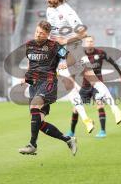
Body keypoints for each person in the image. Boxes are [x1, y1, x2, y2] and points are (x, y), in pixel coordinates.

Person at [46, 0, 121, 129]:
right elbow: (54, 33)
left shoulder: (67, 11)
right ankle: (86, 120)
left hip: (73, 49)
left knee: (92, 79)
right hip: (59, 52)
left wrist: (65, 40)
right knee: (68, 86)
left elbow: (83, 33)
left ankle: (115, 109)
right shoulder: (50, 10)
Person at [19, 21, 77, 155]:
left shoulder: (54, 45)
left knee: (34, 107)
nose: (38, 35)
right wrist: (26, 78)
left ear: (48, 35)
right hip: (34, 85)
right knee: (38, 122)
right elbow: (31, 64)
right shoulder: (29, 45)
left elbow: (71, 58)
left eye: (42, 33)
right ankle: (68, 140)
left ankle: (32, 145)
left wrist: (64, 64)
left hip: (48, 82)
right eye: (37, 32)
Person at [67, 36, 121, 138]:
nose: (89, 43)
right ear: (85, 43)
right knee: (76, 108)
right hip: (85, 85)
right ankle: (72, 131)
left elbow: (113, 63)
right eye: (88, 41)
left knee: (99, 104)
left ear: (93, 42)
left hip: (98, 84)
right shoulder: (80, 56)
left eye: (91, 41)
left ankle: (102, 131)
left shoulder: (100, 53)